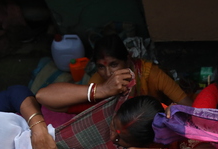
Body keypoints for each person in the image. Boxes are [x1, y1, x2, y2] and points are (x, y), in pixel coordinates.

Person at [36, 34, 192, 112]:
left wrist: (173, 111)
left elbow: (188, 105)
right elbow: (43, 97)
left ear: (129, 60)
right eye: (101, 67)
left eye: (114, 64)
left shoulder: (151, 74)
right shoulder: (98, 83)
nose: (109, 73)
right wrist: (102, 91)